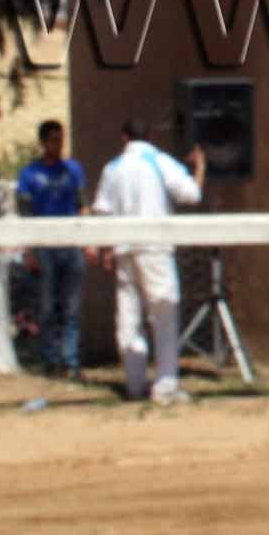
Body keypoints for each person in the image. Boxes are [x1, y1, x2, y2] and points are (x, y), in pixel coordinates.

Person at [89, 120, 206, 406]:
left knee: (129, 316)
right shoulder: (160, 161)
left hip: (124, 247)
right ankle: (165, 386)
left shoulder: (112, 167)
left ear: (124, 137)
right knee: (164, 315)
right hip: (154, 248)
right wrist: (200, 168)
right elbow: (191, 194)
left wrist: (105, 248)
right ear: (151, 136)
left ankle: (134, 383)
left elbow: (102, 211)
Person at [14, 121, 89, 380]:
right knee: (47, 306)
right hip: (44, 245)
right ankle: (51, 359)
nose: (58, 144)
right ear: (44, 142)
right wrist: (29, 249)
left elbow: (82, 205)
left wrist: (87, 240)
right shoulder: (29, 174)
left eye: (61, 139)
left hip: (70, 244)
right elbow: (24, 212)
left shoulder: (73, 170)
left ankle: (71, 359)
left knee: (72, 306)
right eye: (54, 139)